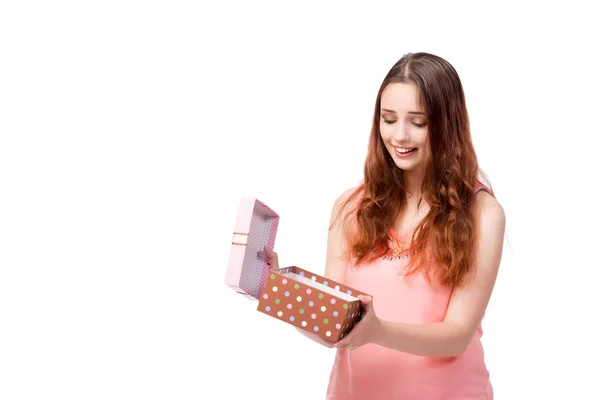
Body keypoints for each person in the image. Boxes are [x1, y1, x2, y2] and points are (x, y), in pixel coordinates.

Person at [264, 52, 505, 399]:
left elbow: (457, 334)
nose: (400, 135)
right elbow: (334, 325)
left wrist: (376, 331)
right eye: (388, 119)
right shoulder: (351, 207)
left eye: (418, 122)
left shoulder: (483, 214)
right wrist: (278, 292)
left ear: (447, 123)